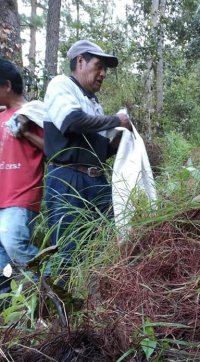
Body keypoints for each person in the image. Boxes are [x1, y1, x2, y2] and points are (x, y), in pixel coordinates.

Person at [43, 40, 131, 275]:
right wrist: (116, 121)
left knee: (105, 244)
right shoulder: (62, 85)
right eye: (99, 66)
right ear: (80, 62)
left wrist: (123, 137)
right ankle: (56, 305)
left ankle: (94, 304)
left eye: (105, 70)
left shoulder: (94, 104)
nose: (103, 74)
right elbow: (72, 122)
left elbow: (101, 153)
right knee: (67, 250)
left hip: (96, 181)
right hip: (67, 180)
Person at [0, 58, 44, 295]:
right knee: (2, 264)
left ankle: (50, 289)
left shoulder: (33, 112)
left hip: (20, 196)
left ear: (7, 86)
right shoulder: (1, 116)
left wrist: (26, 132)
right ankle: (8, 313)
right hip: (2, 196)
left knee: (14, 243)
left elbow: (53, 150)